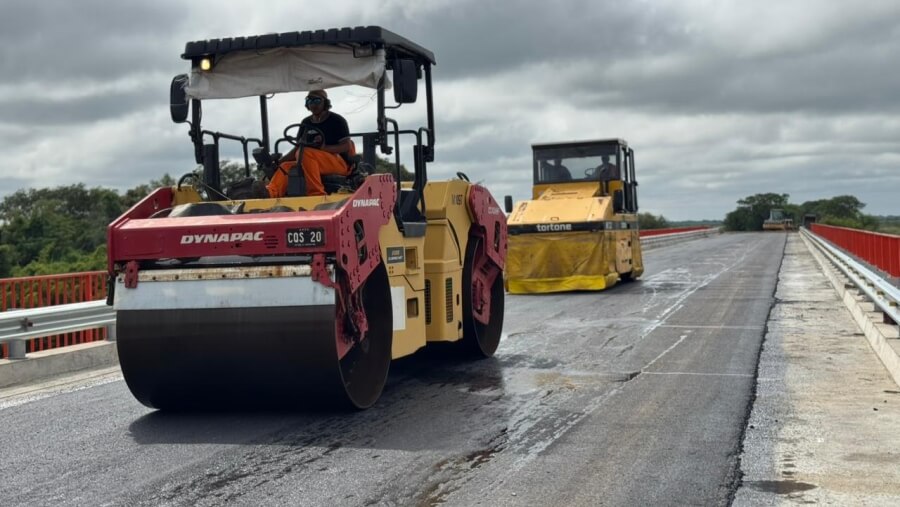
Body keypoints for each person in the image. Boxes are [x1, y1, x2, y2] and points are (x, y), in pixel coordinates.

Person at [267, 89, 353, 197]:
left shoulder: (337, 120)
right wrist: (278, 162)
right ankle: (270, 192)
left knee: (305, 152)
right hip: (310, 161)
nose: (313, 104)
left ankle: (316, 193)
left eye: (317, 101)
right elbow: (297, 149)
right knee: (286, 165)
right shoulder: (306, 122)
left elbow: (346, 146)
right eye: (309, 101)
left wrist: (324, 148)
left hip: (337, 163)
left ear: (325, 103)